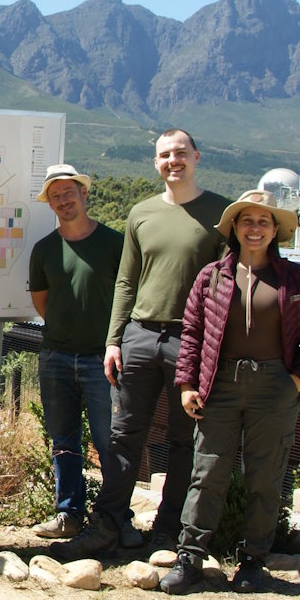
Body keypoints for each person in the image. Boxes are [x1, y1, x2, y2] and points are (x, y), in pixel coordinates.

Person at [160, 190, 300, 594]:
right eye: (246, 220)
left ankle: (253, 561)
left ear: (275, 231)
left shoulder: (297, 281)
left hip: (275, 386)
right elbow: (192, 333)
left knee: (265, 477)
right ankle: (190, 558)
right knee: (208, 472)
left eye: (263, 221)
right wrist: (187, 383)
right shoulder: (212, 276)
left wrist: (296, 381)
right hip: (219, 384)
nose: (255, 228)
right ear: (234, 228)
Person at [81, 129, 230, 555]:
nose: (173, 161)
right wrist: (114, 341)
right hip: (141, 336)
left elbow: (227, 287)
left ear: (197, 157)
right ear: (156, 163)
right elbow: (127, 280)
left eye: (181, 153)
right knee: (125, 435)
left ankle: (168, 532)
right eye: (165, 155)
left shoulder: (221, 213)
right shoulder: (141, 213)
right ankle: (107, 525)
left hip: (192, 340)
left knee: (185, 441)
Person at [27, 164, 124, 540]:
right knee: (64, 440)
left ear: (84, 194)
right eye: (56, 195)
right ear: (50, 204)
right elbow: (42, 303)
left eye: (69, 192)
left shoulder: (115, 244)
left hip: (104, 359)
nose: (63, 200)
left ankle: (114, 519)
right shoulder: (45, 250)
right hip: (56, 357)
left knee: (109, 441)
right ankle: (69, 514)